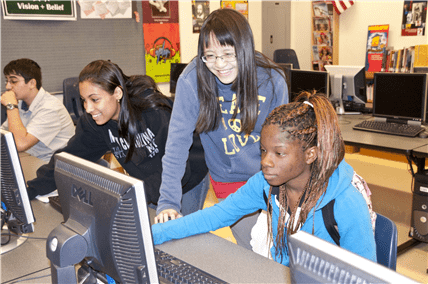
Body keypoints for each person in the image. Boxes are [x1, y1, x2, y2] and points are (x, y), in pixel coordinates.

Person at [152, 92, 376, 266]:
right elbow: (216, 215)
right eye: (262, 151)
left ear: (310, 154)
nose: (266, 162)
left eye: (279, 153)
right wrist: (151, 234)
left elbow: (366, 276)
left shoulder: (347, 203)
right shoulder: (265, 184)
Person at [155, 8, 288, 249]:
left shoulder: (271, 80)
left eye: (228, 54)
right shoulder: (192, 79)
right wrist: (168, 203)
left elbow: (284, 145)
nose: (220, 64)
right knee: (253, 251)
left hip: (272, 179)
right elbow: (176, 146)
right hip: (230, 181)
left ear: (245, 49)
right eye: (210, 56)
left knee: (281, 251)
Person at [26, 60, 208, 209]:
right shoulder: (95, 123)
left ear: (117, 93)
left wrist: (129, 195)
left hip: (187, 176)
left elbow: (178, 166)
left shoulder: (154, 111)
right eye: (84, 100)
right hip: (147, 182)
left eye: (95, 99)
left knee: (180, 238)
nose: (88, 109)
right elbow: (69, 158)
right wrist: (32, 189)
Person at [0, 58, 75, 162]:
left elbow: (20, 144)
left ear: (32, 83)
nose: (8, 86)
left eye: (13, 81)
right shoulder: (21, 102)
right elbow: (4, 132)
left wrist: (11, 106)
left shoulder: (50, 108)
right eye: (7, 81)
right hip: (30, 157)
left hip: (52, 164)